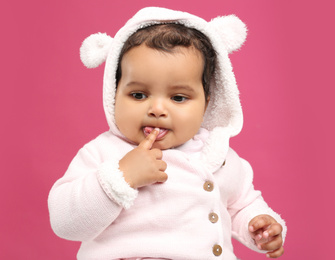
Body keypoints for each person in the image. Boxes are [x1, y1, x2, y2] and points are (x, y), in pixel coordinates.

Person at [48, 7, 287, 260]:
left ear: (206, 103)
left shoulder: (218, 155)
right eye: (138, 95)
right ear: (113, 95)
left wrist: (259, 225)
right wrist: (120, 177)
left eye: (178, 97)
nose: (157, 109)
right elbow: (64, 222)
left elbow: (242, 204)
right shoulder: (104, 152)